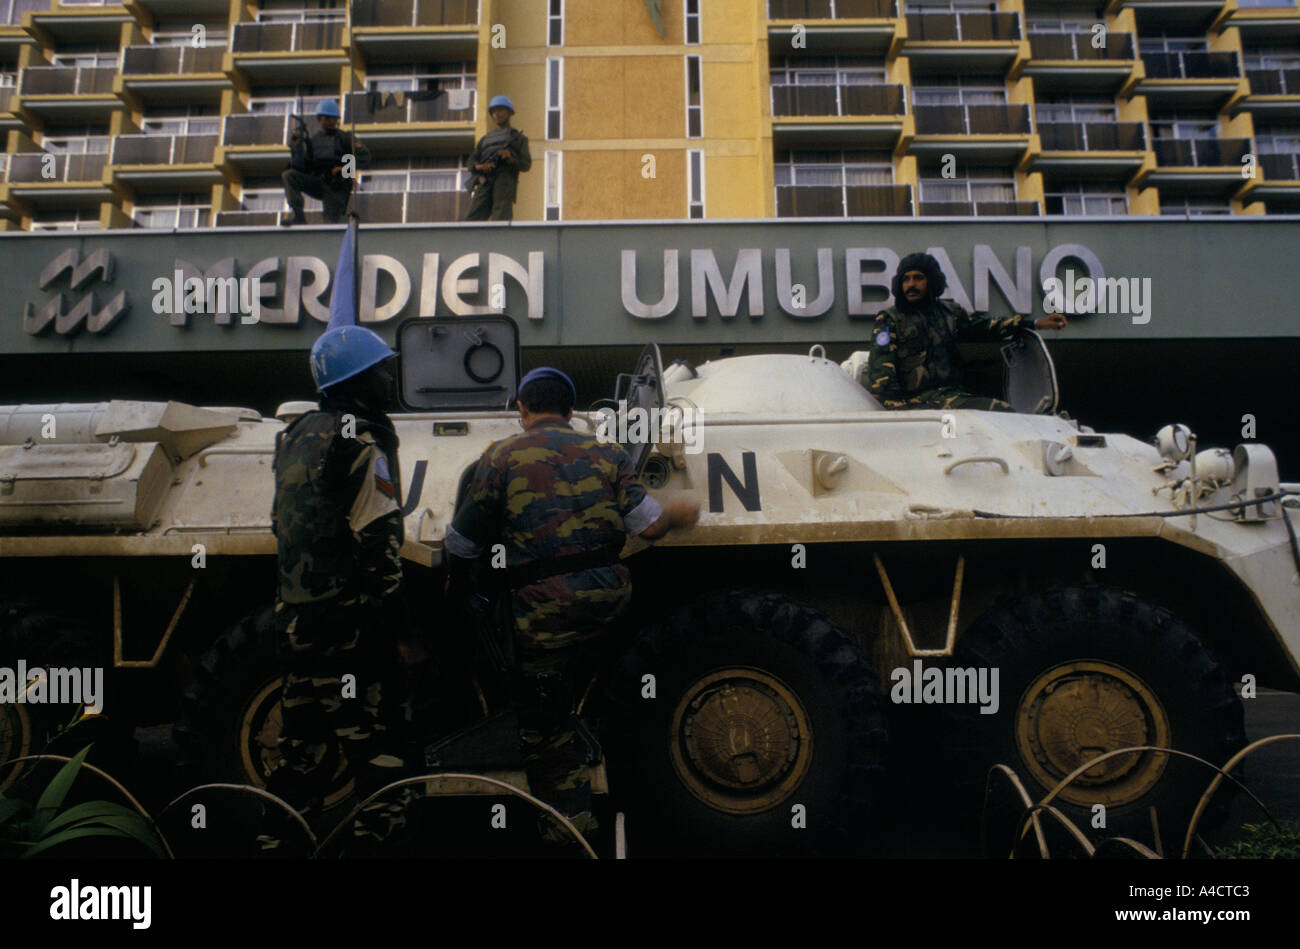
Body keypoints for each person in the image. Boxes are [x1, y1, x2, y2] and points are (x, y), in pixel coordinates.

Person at [443, 367, 699, 843]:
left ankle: (568, 829)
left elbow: (462, 544)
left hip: (544, 613)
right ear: (569, 409)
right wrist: (683, 509)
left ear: (522, 409)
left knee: (545, 727)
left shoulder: (500, 456)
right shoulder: (609, 453)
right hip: (608, 602)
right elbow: (650, 527)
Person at [266, 325, 414, 854]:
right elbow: (380, 549)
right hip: (348, 631)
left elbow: (282, 527)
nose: (389, 376)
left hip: (295, 624)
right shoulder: (362, 441)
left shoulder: (295, 435)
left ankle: (278, 843)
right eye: (380, 369)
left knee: (300, 754)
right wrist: (399, 635)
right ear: (357, 379)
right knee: (382, 754)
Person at [866, 252, 1068, 411]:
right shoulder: (890, 319)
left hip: (951, 397)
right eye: (906, 279)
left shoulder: (949, 313)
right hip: (915, 402)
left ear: (932, 281)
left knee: (998, 417)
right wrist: (898, 410)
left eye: (918, 278)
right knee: (999, 411)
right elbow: (881, 374)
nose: (911, 285)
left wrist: (1034, 324)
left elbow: (985, 327)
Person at [280, 100, 370, 226]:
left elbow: (365, 158)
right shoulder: (314, 141)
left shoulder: (345, 137)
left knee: (330, 225)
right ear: (320, 119)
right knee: (289, 175)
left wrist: (343, 168)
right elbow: (305, 167)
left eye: (334, 119)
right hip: (319, 182)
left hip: (337, 186)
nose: (331, 122)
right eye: (327, 118)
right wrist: (296, 150)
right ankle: (298, 215)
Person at [464, 95, 531, 221]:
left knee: (501, 215)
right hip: (486, 179)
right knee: (472, 217)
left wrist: (511, 159)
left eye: (500, 110)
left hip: (505, 178)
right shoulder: (485, 139)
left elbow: (526, 164)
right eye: (494, 111)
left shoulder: (518, 138)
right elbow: (471, 161)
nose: (497, 114)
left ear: (509, 112)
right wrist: (480, 166)